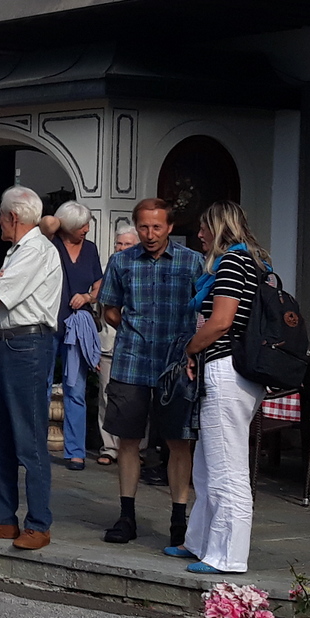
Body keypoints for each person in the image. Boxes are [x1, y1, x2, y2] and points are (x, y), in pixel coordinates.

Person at [96, 198, 204, 549]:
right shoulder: (121, 261)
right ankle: (126, 515)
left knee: (178, 441)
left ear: (170, 227)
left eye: (157, 227)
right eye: (144, 226)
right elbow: (110, 308)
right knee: (127, 440)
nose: (150, 234)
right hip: (132, 360)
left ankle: (178, 519)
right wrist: (133, 329)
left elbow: (205, 309)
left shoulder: (192, 262)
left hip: (175, 364)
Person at [0, 186, 63, 551]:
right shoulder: (18, 251)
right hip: (5, 340)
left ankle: (38, 523)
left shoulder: (36, 250)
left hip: (27, 344)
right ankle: (2, 517)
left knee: (28, 435)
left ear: (14, 217)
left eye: (2, 216)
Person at [176, 201, 270, 575]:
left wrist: (189, 349)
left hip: (226, 369)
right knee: (206, 464)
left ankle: (227, 555)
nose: (199, 234)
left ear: (219, 229)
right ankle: (199, 541)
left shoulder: (232, 263)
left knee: (227, 469)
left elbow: (220, 322)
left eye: (204, 227)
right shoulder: (255, 263)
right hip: (238, 372)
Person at [38, 201, 103, 471]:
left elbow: (99, 284)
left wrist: (87, 297)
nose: (86, 230)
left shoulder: (90, 249)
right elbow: (46, 223)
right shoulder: (50, 242)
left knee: (75, 389)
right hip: (49, 324)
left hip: (77, 327)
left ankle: (75, 451)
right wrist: (61, 224)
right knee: (41, 387)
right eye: (81, 226)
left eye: (87, 225)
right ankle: (35, 446)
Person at [91, 228, 139, 465]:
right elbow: (98, 310)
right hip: (109, 344)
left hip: (137, 345)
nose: (121, 248)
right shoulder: (107, 270)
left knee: (138, 399)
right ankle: (109, 447)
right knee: (106, 396)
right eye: (119, 244)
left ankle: (137, 449)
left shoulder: (143, 269)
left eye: (127, 244)